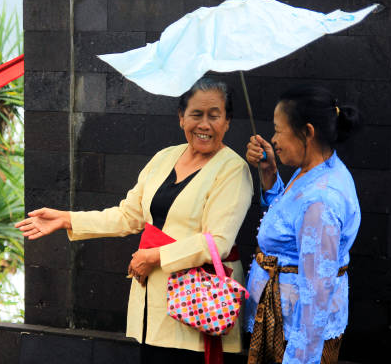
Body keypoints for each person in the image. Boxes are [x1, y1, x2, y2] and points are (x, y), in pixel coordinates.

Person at [17, 77, 253, 363]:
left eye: (214, 116)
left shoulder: (232, 170)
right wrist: (67, 219)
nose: (204, 124)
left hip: (199, 305)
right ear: (181, 118)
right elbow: (128, 215)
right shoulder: (164, 158)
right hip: (153, 307)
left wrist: (154, 256)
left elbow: (218, 243)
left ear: (227, 122)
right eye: (196, 114)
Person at [243, 85, 362, 364]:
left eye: (278, 130)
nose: (273, 139)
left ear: (307, 131)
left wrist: (298, 359)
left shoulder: (320, 202)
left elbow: (315, 298)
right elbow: (289, 220)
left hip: (294, 334)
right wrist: (270, 173)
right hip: (282, 322)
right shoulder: (314, 169)